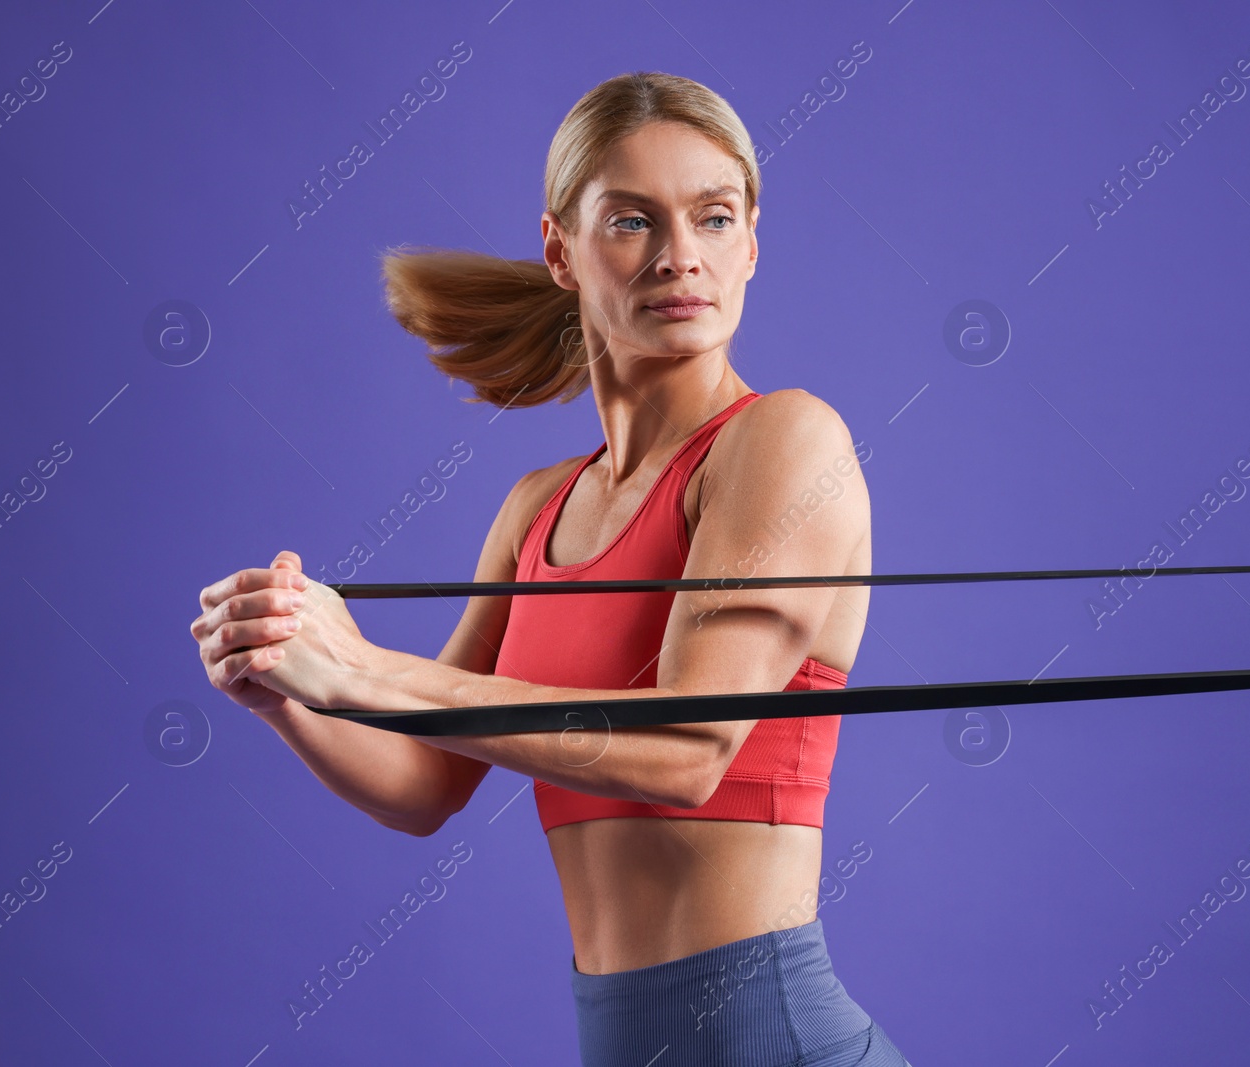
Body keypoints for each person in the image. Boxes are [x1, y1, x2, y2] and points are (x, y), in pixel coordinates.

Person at [190, 71, 911, 1066]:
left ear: (751, 243)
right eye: (630, 221)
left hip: (772, 1040)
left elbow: (689, 749)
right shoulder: (536, 507)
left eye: (713, 216)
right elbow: (427, 779)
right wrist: (286, 687)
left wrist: (362, 670)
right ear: (560, 250)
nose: (679, 257)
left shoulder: (784, 441)